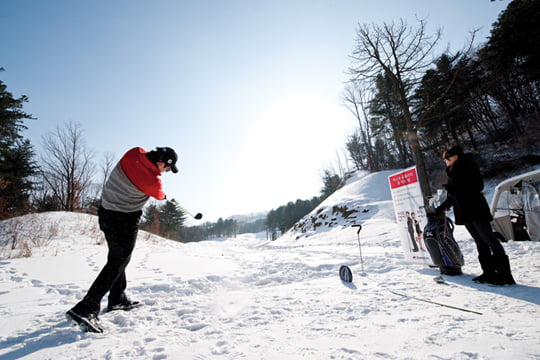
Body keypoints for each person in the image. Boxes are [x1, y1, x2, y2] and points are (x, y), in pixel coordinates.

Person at [66, 146, 179, 333]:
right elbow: (159, 194)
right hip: (123, 220)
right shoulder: (153, 182)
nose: (166, 172)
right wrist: (165, 196)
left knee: (118, 257)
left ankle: (117, 298)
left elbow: (143, 169)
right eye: (167, 169)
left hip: (105, 214)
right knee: (118, 261)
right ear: (160, 163)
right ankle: (86, 308)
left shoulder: (134, 153)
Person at [436, 145, 516, 286]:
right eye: (444, 159)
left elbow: (477, 186)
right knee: (479, 241)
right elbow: (454, 195)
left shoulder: (468, 165)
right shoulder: (452, 172)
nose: (445, 161)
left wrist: (456, 188)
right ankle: (488, 272)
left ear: (456, 156)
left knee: (490, 239)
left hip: (476, 208)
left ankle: (505, 275)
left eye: (447, 157)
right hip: (464, 212)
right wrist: (441, 208)